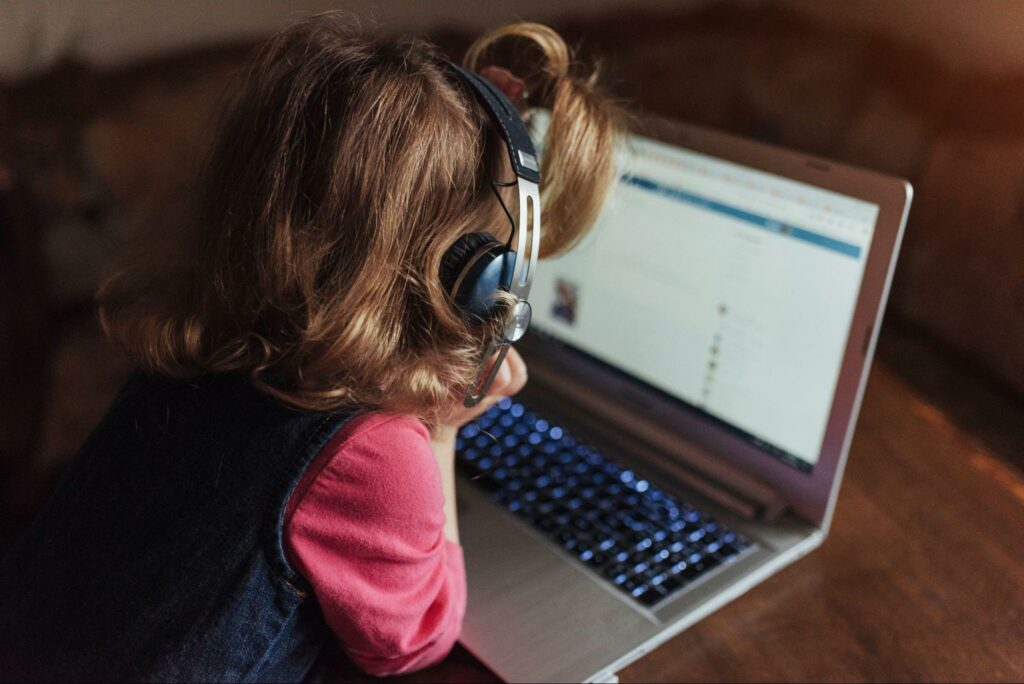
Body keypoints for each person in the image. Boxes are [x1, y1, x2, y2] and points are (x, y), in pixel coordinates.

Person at [0, 13, 620, 682]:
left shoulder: (194, 344)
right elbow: (413, 641)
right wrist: (439, 432)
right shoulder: (377, 454)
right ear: (477, 287)